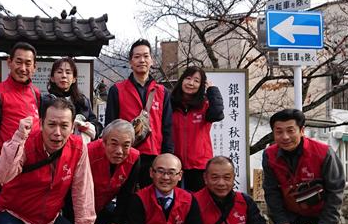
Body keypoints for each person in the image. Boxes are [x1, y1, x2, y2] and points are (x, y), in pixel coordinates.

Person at [104, 39, 173, 188]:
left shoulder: (162, 92)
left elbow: (167, 128)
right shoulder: (117, 90)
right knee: (126, 199)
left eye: (146, 56)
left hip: (154, 157)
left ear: (152, 60)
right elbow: (109, 126)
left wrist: (167, 157)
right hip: (126, 155)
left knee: (151, 200)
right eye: (137, 57)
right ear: (130, 62)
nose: (142, 60)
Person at [0, 42, 41, 186]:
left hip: (33, 168)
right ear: (10, 62)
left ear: (34, 67)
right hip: (6, 170)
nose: (23, 68)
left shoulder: (35, 93)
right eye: (18, 62)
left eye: (28, 63)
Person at [82, 119, 140, 224]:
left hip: (104, 205)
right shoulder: (88, 153)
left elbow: (126, 194)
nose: (119, 151)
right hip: (80, 207)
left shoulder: (134, 158)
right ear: (104, 141)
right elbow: (75, 192)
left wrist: (116, 221)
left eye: (126, 145)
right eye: (114, 144)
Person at [170, 66, 224, 191]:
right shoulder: (171, 104)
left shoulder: (204, 105)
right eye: (188, 78)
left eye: (196, 81)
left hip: (199, 165)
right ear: (182, 80)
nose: (191, 83)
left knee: (198, 202)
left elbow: (217, 113)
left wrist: (212, 90)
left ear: (201, 85)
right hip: (174, 164)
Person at [41, 57, 102, 144]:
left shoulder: (83, 100)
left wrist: (90, 127)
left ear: (74, 79)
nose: (64, 76)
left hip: (82, 149)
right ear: (52, 78)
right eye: (59, 72)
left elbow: (96, 124)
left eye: (68, 72)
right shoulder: (47, 101)